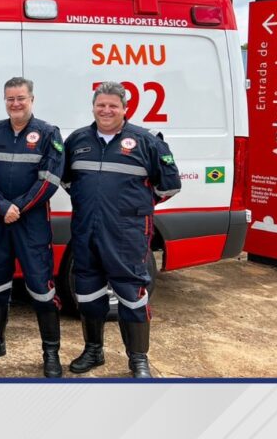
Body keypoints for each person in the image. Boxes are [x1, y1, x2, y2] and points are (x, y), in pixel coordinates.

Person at [62, 81, 180, 378]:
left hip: (127, 232)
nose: (106, 110)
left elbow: (169, 186)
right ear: (93, 107)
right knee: (87, 293)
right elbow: (67, 181)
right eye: (101, 105)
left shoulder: (147, 141)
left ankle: (138, 359)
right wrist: (91, 202)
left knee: (132, 294)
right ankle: (93, 351)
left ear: (125, 108)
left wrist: (135, 205)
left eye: (113, 105)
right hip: (87, 230)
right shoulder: (77, 140)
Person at [0, 77, 65, 378]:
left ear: (32, 99)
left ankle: (50, 353)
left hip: (33, 223)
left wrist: (20, 208)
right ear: (5, 100)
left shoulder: (49, 133)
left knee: (41, 288)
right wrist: (3, 207)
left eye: (21, 98)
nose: (15, 103)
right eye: (10, 98)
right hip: (0, 221)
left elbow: (49, 180)